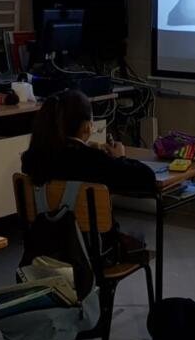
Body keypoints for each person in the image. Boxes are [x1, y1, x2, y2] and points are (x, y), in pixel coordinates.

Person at [20, 90, 157, 257]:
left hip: (44, 247)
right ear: (86, 126)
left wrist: (84, 147)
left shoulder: (32, 158)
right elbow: (147, 178)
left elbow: (67, 160)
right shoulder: (94, 160)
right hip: (92, 251)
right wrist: (120, 157)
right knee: (139, 241)